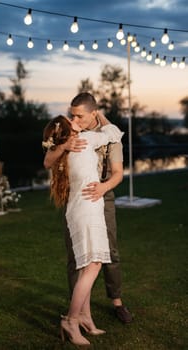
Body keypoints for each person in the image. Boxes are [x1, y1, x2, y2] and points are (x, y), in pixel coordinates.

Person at [44, 92, 133, 324]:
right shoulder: (73, 134)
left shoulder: (108, 137)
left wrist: (103, 188)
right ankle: (79, 308)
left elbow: (118, 174)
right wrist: (64, 146)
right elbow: (48, 160)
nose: (75, 120)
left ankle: (117, 301)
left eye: (80, 116)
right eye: (72, 115)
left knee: (109, 252)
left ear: (94, 113)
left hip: (103, 193)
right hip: (77, 199)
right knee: (76, 255)